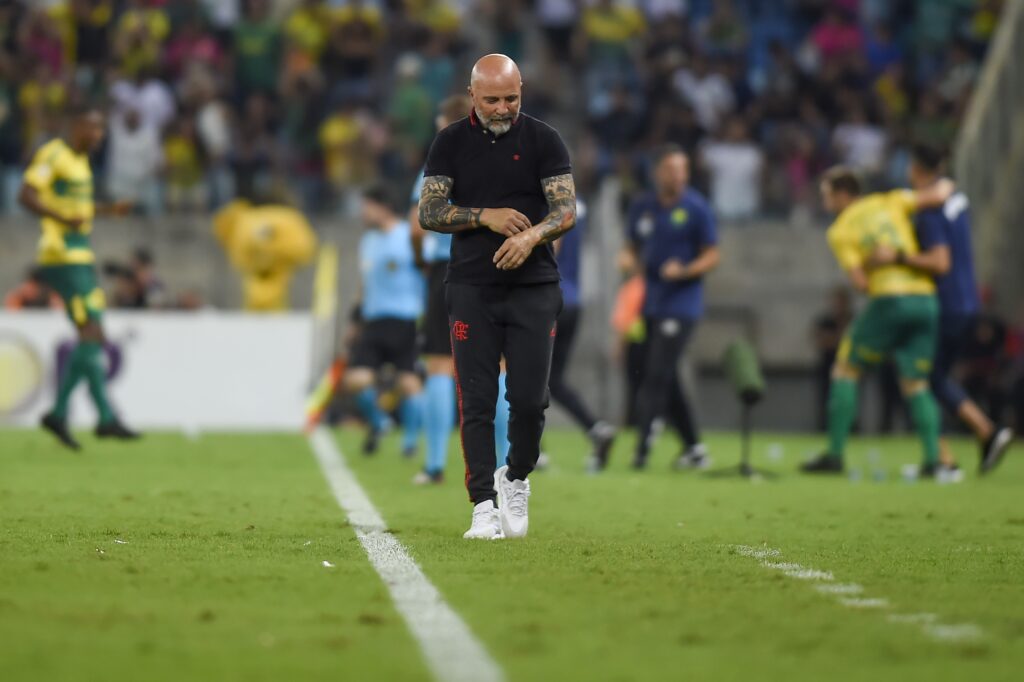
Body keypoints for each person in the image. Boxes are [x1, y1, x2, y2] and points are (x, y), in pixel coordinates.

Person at [419, 54, 575, 540]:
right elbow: (430, 211)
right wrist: (485, 215)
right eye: (492, 100)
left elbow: (565, 210)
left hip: (534, 288)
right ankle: (482, 505)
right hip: (471, 287)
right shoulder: (449, 143)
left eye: (511, 98)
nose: (503, 108)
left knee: (530, 401)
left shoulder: (545, 140)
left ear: (522, 90)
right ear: (472, 96)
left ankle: (517, 476)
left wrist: (530, 239)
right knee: (478, 400)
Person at [802, 166, 954, 477]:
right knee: (916, 381)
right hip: (926, 299)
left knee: (845, 368)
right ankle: (931, 460)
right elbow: (941, 193)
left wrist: (874, 262)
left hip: (889, 299)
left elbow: (859, 283)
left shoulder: (840, 229)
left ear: (844, 195)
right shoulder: (891, 200)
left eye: (827, 195)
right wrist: (947, 179)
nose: (824, 202)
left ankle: (834, 454)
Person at [873, 145, 1012, 476]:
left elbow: (940, 260)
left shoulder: (929, 212)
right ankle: (980, 435)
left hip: (946, 305)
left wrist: (898, 258)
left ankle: (949, 454)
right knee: (932, 376)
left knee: (917, 375)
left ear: (915, 168)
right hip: (968, 303)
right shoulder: (955, 200)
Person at [18, 105, 139, 450]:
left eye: (101, 130)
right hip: (61, 256)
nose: (97, 136)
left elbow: (76, 209)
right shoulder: (53, 154)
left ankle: (74, 415)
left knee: (91, 335)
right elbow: (25, 195)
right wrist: (61, 218)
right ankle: (99, 416)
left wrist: (106, 210)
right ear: (76, 126)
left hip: (80, 256)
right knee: (93, 332)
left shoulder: (82, 163)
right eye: (92, 128)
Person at [409, 94, 513, 485]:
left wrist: (422, 260)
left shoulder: (440, 160)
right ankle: (505, 466)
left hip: (448, 265)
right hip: (496, 263)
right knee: (500, 365)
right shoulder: (506, 157)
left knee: (439, 363)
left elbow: (416, 225)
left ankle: (434, 464)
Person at [618, 145, 720, 471]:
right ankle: (694, 448)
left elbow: (712, 254)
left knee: (656, 373)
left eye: (683, 170)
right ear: (658, 171)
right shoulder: (643, 207)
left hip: (683, 304)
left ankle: (642, 448)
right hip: (652, 303)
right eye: (673, 169)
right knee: (664, 374)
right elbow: (631, 248)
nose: (679, 176)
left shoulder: (696, 207)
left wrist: (686, 270)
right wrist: (629, 261)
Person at [345, 185, 425, 458]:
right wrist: (355, 321)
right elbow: (363, 284)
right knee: (356, 380)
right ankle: (380, 422)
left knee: (409, 383)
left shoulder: (408, 235)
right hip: (374, 320)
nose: (363, 213)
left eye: (367, 206)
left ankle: (410, 442)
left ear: (382, 207)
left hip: (406, 319)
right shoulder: (368, 241)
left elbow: (425, 273)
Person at [550, 197, 617, 467]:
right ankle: (596, 429)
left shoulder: (550, 204)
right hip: (573, 300)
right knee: (551, 381)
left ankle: (530, 448)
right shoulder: (580, 207)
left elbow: (552, 245)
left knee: (522, 374)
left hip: (548, 299)